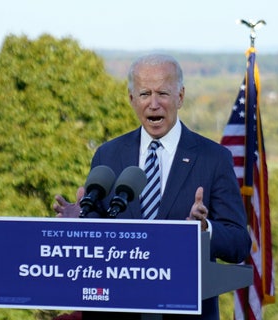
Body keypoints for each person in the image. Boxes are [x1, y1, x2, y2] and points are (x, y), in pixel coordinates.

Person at [54, 53, 251, 320]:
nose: (154, 104)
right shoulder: (108, 155)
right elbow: (99, 232)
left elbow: (239, 242)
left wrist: (205, 230)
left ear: (180, 97)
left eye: (163, 93)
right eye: (145, 93)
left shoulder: (213, 158)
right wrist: (78, 225)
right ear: (131, 99)